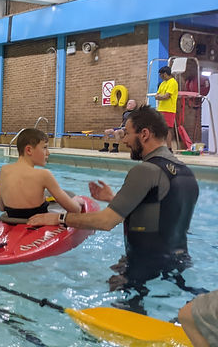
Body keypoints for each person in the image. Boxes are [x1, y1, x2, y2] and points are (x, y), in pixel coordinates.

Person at [28, 105, 199, 293]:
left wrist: (59, 218)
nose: (124, 140)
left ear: (144, 134)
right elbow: (162, 213)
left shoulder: (145, 171)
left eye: (127, 133)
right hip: (178, 265)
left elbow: (105, 222)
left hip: (144, 267)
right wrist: (113, 199)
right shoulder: (186, 173)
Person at [0, 128, 82, 219]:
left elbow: (2, 207)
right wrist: (76, 201)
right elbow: (74, 210)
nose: (48, 153)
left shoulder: (4, 170)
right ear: (29, 150)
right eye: (45, 147)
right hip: (38, 226)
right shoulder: (44, 174)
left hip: (11, 221)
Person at [155, 66, 179, 150]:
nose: (160, 77)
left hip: (169, 109)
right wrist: (161, 96)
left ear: (165, 74)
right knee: (160, 129)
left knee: (168, 129)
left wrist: (160, 96)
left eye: (161, 75)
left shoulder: (173, 82)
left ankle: (169, 148)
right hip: (160, 109)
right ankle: (160, 147)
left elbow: (166, 96)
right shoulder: (162, 83)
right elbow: (156, 96)